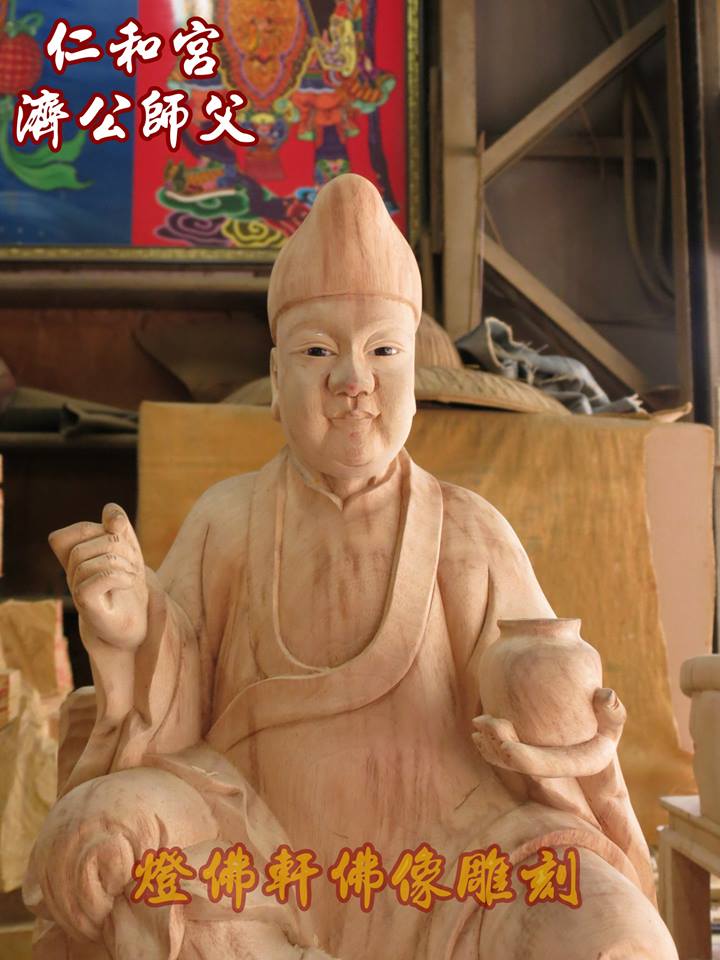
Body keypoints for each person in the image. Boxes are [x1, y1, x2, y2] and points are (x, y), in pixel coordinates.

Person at [24, 174, 677, 960]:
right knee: (94, 838)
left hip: (456, 866)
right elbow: (171, 713)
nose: (352, 382)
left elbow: (545, 708)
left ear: (412, 383)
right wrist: (133, 629)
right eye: (317, 351)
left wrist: (564, 740)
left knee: (609, 931)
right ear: (278, 381)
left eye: (383, 351)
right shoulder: (227, 519)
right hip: (264, 859)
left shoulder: (470, 532)